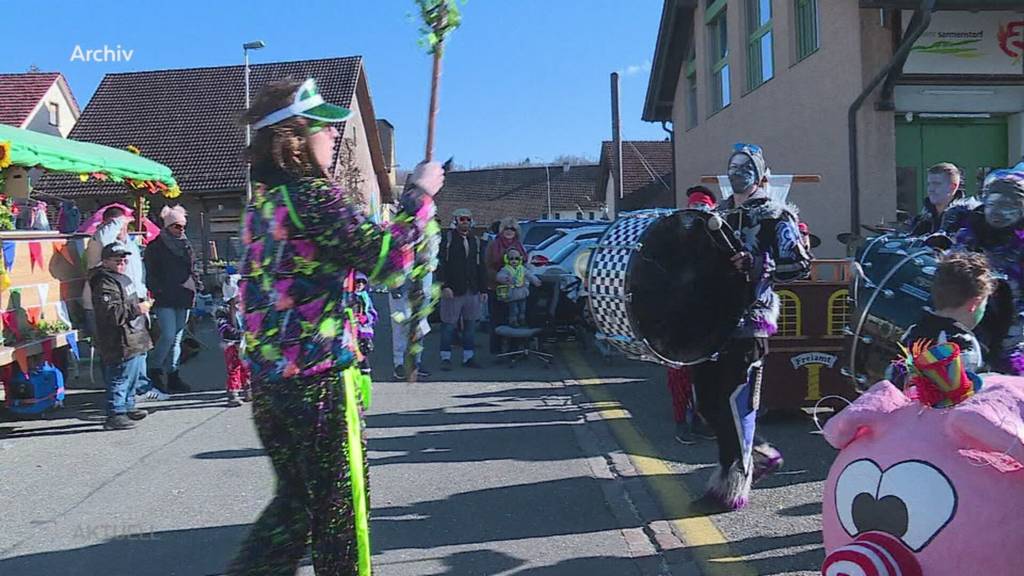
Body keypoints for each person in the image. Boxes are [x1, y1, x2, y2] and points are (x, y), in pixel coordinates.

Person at [227, 77, 442, 576]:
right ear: (295, 138)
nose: (334, 136)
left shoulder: (264, 205)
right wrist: (420, 195)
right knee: (341, 514)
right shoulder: (311, 197)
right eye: (324, 128)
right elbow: (389, 260)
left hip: (271, 384)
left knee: (296, 507)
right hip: (317, 383)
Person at [692, 143, 811, 511]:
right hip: (711, 321)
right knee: (707, 403)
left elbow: (800, 267)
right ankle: (760, 454)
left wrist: (758, 262)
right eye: (733, 165)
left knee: (735, 401)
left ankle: (732, 486)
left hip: (751, 321)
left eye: (745, 166)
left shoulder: (777, 216)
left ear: (761, 174)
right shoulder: (719, 213)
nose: (737, 171)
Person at [82, 204, 167, 400]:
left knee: (139, 348)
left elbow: (137, 273)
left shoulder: (127, 245)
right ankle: (118, 399)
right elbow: (104, 237)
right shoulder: (101, 242)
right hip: (105, 305)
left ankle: (136, 390)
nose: (123, 229)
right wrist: (119, 220)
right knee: (113, 353)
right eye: (120, 225)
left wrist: (143, 295)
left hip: (134, 301)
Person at [952, 169, 1024, 375]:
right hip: (968, 320)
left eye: (1008, 206)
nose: (999, 212)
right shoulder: (971, 230)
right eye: (993, 204)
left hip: (1014, 330)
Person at [889, 252, 994, 388]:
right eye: (984, 304)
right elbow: (963, 395)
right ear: (974, 304)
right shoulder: (963, 342)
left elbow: (894, 374)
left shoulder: (913, 330)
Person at [670, 186, 720, 445]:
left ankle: (703, 420)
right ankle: (681, 422)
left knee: (707, 374)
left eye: (703, 207)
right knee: (679, 373)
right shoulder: (674, 237)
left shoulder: (719, 239)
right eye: (694, 207)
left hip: (707, 316)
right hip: (679, 316)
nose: (698, 212)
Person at [90, 244, 154, 431]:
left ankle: (128, 405)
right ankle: (115, 413)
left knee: (133, 375)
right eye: (117, 259)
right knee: (119, 376)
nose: (122, 263)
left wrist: (141, 305)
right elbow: (111, 313)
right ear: (106, 261)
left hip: (135, 336)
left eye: (124, 259)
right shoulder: (104, 282)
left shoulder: (122, 278)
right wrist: (138, 309)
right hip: (118, 338)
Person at [144, 204, 202, 393]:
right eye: (177, 226)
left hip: (184, 295)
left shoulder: (186, 245)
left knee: (177, 338)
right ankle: (154, 369)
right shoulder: (155, 247)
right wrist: (157, 289)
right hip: (165, 296)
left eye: (183, 226)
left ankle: (173, 374)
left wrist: (198, 284)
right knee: (168, 335)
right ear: (168, 226)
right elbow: (150, 272)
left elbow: (192, 268)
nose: (181, 230)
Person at [437, 207, 487, 370]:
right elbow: (440, 263)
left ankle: (468, 357)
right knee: (448, 325)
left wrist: (483, 289)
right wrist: (444, 285)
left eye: (467, 219)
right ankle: (445, 357)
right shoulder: (447, 239)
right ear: (455, 220)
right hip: (452, 289)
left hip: (471, 289)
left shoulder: (476, 241)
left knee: (470, 325)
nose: (465, 222)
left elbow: (480, 266)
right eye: (461, 219)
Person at [485, 217, 526, 353]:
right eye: (506, 228)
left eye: (512, 229)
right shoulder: (493, 245)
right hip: (498, 289)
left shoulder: (520, 246)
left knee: (515, 321)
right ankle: (497, 351)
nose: (509, 231)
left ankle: (514, 351)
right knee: (498, 321)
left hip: (516, 291)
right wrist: (497, 277)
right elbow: (487, 266)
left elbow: (525, 265)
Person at [903, 162, 978, 237]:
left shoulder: (968, 216)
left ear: (953, 187)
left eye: (936, 184)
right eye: (929, 184)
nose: (931, 189)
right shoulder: (923, 217)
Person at [216, 274, 250, 408]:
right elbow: (222, 326)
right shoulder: (222, 309)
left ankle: (248, 387)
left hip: (246, 342)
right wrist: (235, 334)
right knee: (234, 367)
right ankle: (233, 392)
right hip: (231, 343)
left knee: (247, 366)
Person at [390, 274, 432, 380]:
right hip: (400, 281)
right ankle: (399, 363)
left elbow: (432, 261)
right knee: (400, 324)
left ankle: (416, 361)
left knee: (420, 324)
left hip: (422, 284)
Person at [495, 247, 541, 327]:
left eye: (516, 258)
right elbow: (499, 276)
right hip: (512, 293)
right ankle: (513, 321)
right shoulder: (506, 269)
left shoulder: (522, 269)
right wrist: (506, 279)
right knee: (514, 310)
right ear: (507, 259)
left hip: (522, 292)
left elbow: (529, 275)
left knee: (522, 308)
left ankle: (522, 319)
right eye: (511, 258)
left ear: (520, 259)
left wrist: (535, 280)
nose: (514, 261)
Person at [351, 272, 379, 375]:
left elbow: (372, 312)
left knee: (364, 348)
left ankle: (364, 371)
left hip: (362, 329)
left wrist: (366, 318)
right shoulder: (348, 296)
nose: (360, 284)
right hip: (349, 327)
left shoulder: (365, 296)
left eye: (363, 282)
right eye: (358, 281)